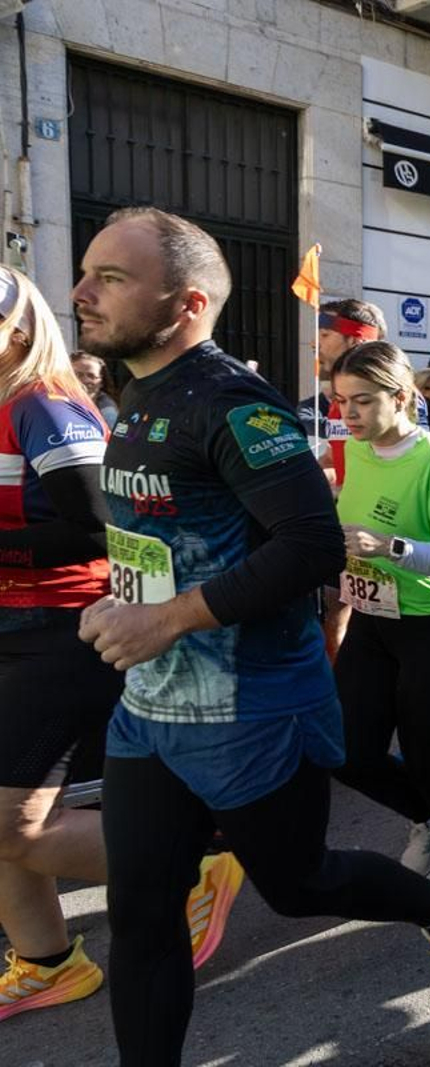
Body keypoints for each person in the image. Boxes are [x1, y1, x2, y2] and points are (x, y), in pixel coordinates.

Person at [71, 208, 430, 1061]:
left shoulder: (233, 402)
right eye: (87, 272)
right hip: (150, 708)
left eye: (111, 278)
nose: (82, 292)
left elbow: (309, 544)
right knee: (142, 913)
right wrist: (118, 596)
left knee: (299, 885)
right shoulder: (136, 392)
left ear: (187, 303)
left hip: (251, 705)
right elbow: (167, 536)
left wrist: (164, 617)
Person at [0, 267, 241, 1023]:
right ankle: (46, 962)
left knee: (11, 823)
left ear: (17, 331)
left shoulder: (44, 401)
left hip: (61, 629)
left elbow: (98, 529)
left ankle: (195, 863)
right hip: (14, 627)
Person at [329, 340, 430, 877]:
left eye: (362, 401)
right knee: (348, 753)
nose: (348, 414)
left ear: (400, 398)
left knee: (429, 759)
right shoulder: (354, 450)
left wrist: (391, 548)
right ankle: (427, 817)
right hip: (372, 624)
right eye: (341, 400)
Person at [295, 297, 387, 489]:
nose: (314, 343)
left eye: (325, 335)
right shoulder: (340, 397)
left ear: (354, 340)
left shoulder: (389, 394)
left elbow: (404, 466)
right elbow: (333, 460)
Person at [70, 350, 118, 425]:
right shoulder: (55, 401)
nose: (85, 380)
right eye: (78, 375)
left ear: (101, 382)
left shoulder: (108, 410)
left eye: (91, 376)